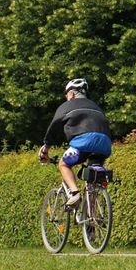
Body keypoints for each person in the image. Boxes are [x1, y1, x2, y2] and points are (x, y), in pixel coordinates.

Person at [38, 78, 112, 206]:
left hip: (83, 142)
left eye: (66, 94)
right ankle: (92, 218)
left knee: (63, 164)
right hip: (105, 144)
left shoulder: (67, 106)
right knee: (93, 178)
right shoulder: (96, 107)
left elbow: (54, 127)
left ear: (71, 94)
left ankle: (75, 193)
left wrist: (46, 148)